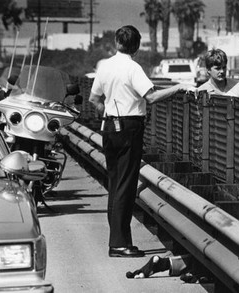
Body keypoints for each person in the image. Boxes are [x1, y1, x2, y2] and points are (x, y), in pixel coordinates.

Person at [89, 25, 195, 258]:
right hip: (129, 128)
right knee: (126, 187)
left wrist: (107, 113)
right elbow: (152, 97)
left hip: (109, 127)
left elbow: (93, 98)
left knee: (115, 184)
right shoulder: (133, 68)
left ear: (116, 42)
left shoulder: (105, 66)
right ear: (136, 47)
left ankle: (117, 240)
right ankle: (119, 244)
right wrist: (179, 87)